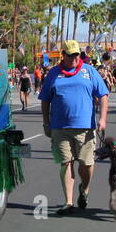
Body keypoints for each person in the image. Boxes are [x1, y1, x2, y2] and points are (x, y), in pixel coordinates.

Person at [39, 40, 110, 213]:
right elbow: (45, 99)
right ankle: (69, 202)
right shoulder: (54, 74)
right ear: (63, 55)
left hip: (85, 126)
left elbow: (103, 95)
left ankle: (84, 189)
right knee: (66, 162)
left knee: (86, 163)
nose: (73, 58)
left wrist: (103, 119)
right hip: (60, 127)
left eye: (76, 54)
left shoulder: (89, 71)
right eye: (70, 55)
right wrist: (46, 123)